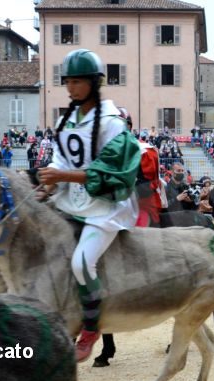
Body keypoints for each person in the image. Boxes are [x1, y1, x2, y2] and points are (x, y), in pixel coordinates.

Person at [36, 49, 140, 362]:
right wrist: (50, 181)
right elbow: (59, 159)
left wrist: (63, 174)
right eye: (67, 81)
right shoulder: (66, 120)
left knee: (82, 263)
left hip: (106, 207)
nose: (70, 87)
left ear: (94, 83)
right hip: (70, 201)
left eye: (77, 81)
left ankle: (92, 327)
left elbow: (113, 171)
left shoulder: (113, 123)